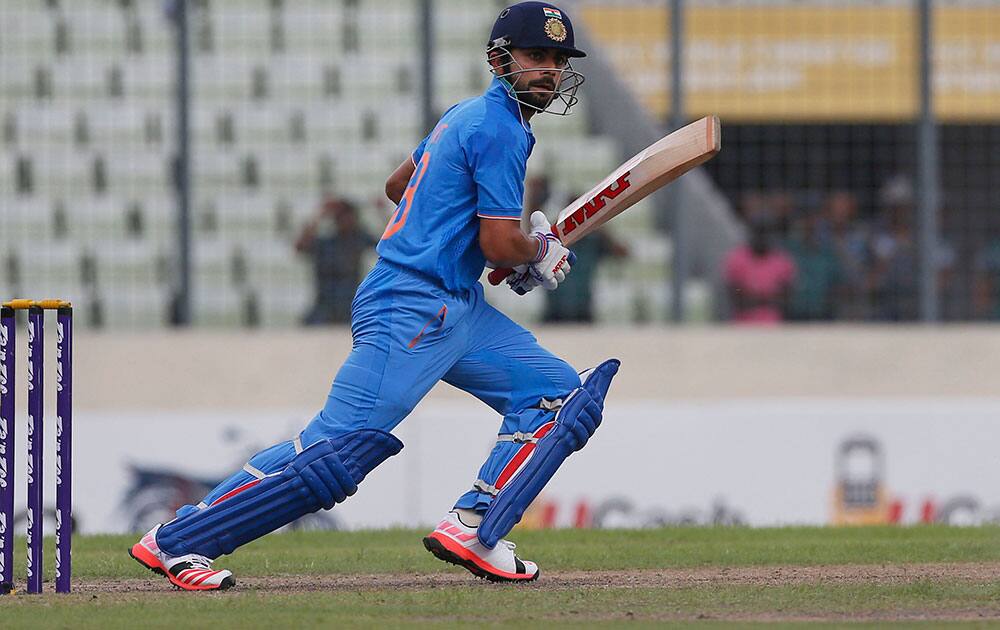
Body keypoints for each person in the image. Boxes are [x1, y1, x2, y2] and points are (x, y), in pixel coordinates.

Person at [129, 2, 620, 590]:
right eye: (536, 56)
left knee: (558, 397)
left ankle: (475, 525)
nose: (549, 70)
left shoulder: (466, 116)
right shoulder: (500, 130)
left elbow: (399, 186)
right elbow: (497, 239)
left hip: (455, 306)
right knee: (334, 453)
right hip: (411, 304)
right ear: (499, 59)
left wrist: (498, 250)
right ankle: (176, 540)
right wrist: (532, 253)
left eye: (558, 60)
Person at [296, 198, 376, 325]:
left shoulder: (359, 238)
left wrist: (380, 211)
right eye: (340, 216)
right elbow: (300, 246)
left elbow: (390, 242)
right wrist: (318, 216)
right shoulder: (326, 242)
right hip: (324, 306)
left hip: (350, 306)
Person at [723, 215, 796, 324]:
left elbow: (786, 301)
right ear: (750, 233)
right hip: (742, 327)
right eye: (758, 232)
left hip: (775, 327)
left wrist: (753, 297)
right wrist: (768, 298)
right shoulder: (736, 259)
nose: (762, 237)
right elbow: (736, 299)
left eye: (766, 232)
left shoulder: (783, 261)